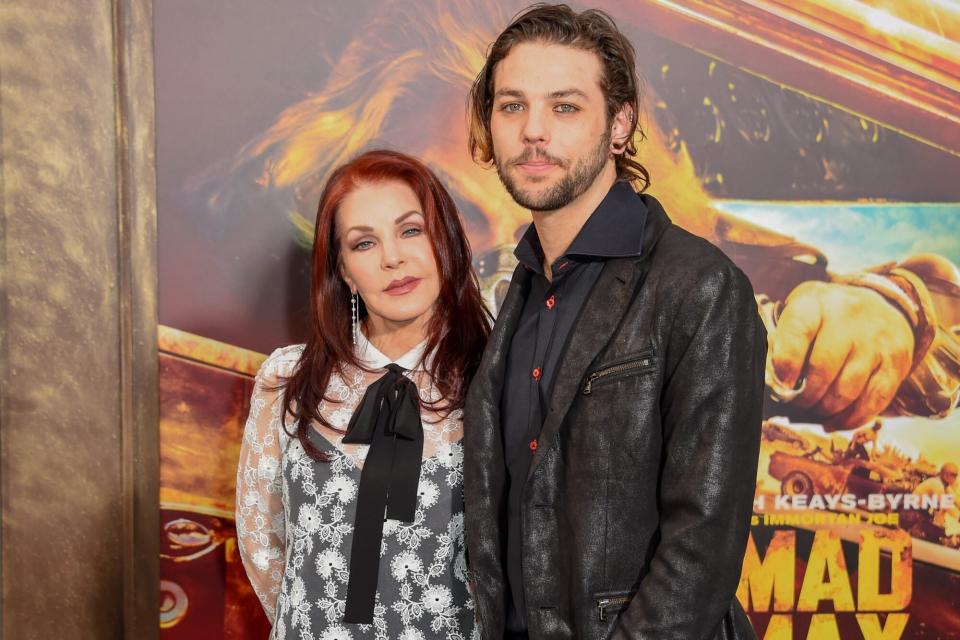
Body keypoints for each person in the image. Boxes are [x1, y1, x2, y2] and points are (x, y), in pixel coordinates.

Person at [462, 6, 765, 639]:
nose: (533, 132)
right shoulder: (518, 292)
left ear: (620, 124)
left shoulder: (699, 286)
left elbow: (701, 551)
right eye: (512, 106)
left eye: (565, 107)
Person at [236, 150, 489, 638]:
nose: (393, 258)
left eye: (410, 230)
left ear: (447, 242)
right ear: (346, 272)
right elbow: (265, 551)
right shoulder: (288, 380)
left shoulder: (498, 380)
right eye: (364, 243)